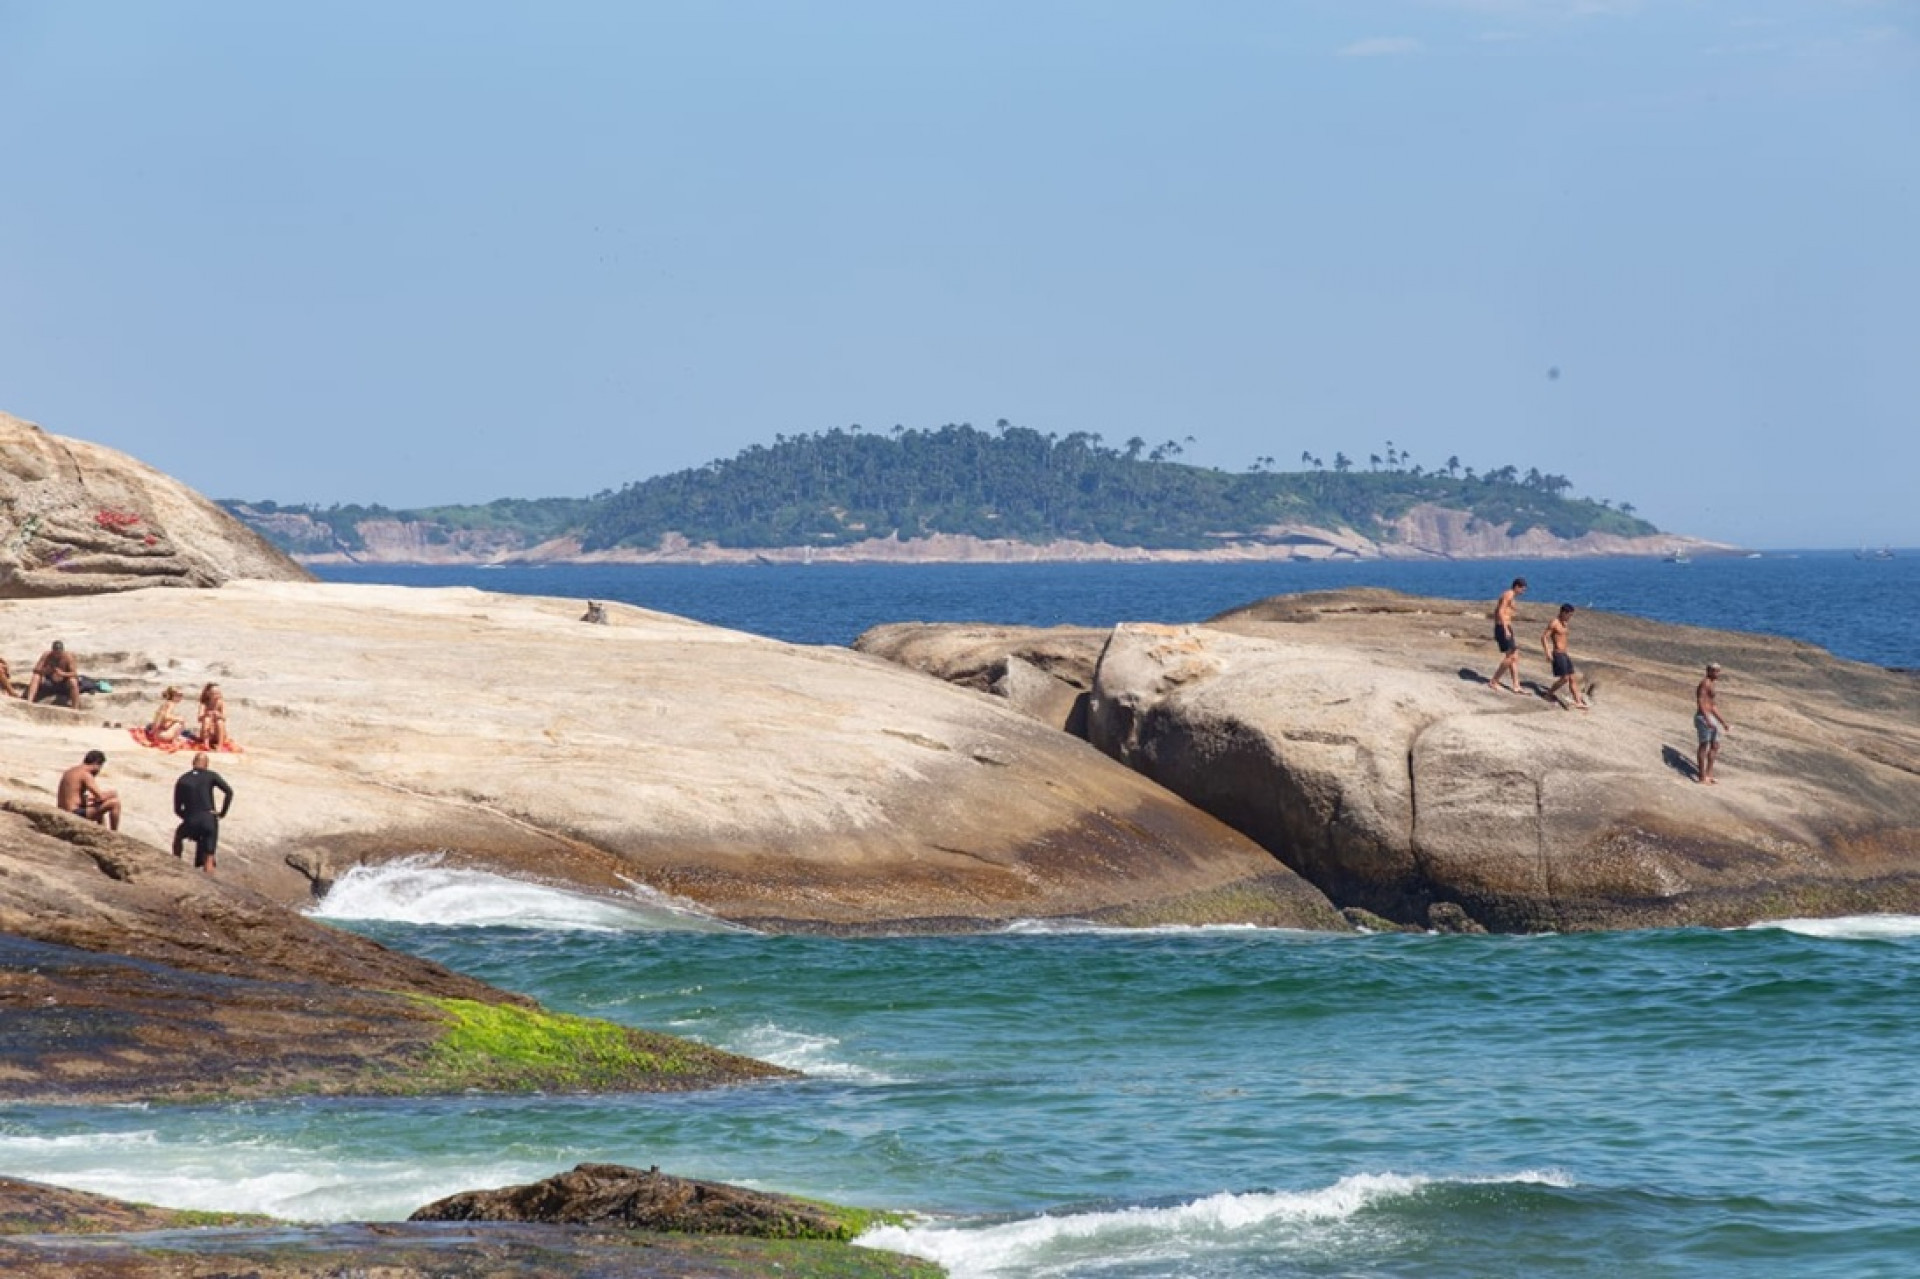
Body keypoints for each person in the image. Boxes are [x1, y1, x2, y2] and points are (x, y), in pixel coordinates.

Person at [172, 751, 234, 873]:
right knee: (209, 857)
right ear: (206, 765)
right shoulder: (211, 775)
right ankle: (209, 882)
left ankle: (176, 864)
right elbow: (229, 792)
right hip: (209, 819)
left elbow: (177, 809)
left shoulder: (183, 779)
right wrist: (222, 813)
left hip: (191, 819)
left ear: (192, 763)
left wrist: (189, 818)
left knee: (178, 837)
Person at [56, 749, 121, 830]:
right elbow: (100, 797)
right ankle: (114, 833)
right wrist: (112, 794)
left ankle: (102, 829)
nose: (98, 771)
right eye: (100, 767)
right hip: (74, 813)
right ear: (96, 763)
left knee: (98, 804)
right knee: (115, 803)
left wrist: (92, 799)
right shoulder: (86, 774)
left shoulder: (71, 771)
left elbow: (73, 795)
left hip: (63, 809)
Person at [1542, 604, 1589, 710]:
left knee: (1572, 678)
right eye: (1569, 615)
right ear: (1563, 612)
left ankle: (1578, 702)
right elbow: (1544, 637)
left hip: (1565, 654)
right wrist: (1547, 652)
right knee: (1564, 678)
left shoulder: (1565, 623)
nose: (1570, 617)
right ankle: (1548, 694)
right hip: (1558, 654)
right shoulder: (1554, 623)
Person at [1485, 577, 1528, 694]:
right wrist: (1505, 629)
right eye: (1522, 590)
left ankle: (1516, 685)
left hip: (1507, 627)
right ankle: (1494, 681)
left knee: (1515, 656)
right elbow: (1500, 611)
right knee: (1511, 657)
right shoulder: (1508, 594)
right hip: (1502, 628)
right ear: (1517, 587)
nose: (1523, 592)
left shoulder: (1511, 596)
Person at [1694, 662, 1731, 785]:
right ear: (1708, 671)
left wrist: (1723, 722)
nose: (1717, 673)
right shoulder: (1704, 683)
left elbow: (1712, 705)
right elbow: (1700, 701)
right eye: (1715, 671)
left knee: (1715, 745)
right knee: (1704, 745)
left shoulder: (1712, 684)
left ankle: (1709, 774)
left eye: (1718, 671)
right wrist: (1707, 718)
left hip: (1710, 717)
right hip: (1703, 717)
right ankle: (1701, 776)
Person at [26, 641, 82, 708]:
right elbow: (35, 670)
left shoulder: (68, 657)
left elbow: (74, 673)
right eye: (55, 653)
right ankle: (29, 701)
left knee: (73, 681)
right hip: (50, 681)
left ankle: (75, 707)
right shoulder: (46, 655)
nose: (57, 655)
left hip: (64, 683)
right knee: (36, 676)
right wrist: (45, 671)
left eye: (59, 653)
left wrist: (63, 674)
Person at [197, 683, 228, 750]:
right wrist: (206, 714)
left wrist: (218, 714)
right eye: (214, 693)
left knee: (220, 721)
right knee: (206, 719)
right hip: (207, 733)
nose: (217, 695)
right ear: (208, 694)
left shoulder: (221, 703)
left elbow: (224, 718)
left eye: (218, 693)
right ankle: (206, 744)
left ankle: (220, 745)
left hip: (218, 734)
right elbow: (199, 719)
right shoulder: (204, 704)